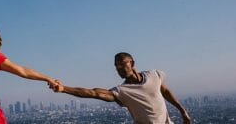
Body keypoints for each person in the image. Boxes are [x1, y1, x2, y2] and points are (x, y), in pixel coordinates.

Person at [51, 52, 191, 124]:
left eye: (122, 64)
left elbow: (164, 91)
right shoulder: (122, 91)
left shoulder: (154, 75)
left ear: (132, 63)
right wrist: (64, 89)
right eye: (116, 66)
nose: (119, 68)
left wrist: (182, 111)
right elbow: (94, 93)